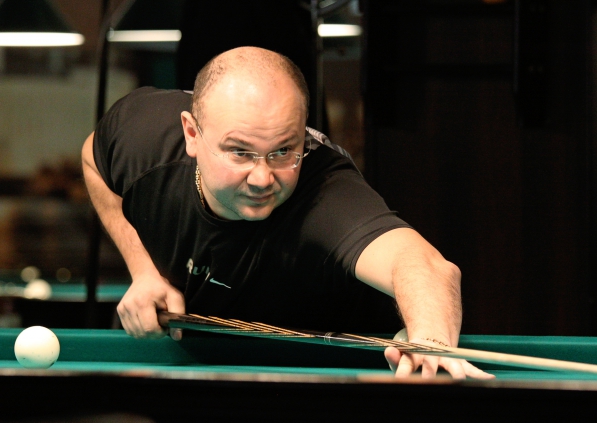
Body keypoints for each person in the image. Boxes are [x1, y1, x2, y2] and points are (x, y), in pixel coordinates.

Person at [81, 46, 492, 380]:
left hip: (336, 373)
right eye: (239, 152)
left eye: (283, 150)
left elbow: (424, 266)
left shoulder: (325, 193)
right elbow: (93, 159)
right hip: (193, 362)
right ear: (191, 133)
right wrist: (143, 271)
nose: (263, 178)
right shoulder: (144, 134)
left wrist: (430, 343)